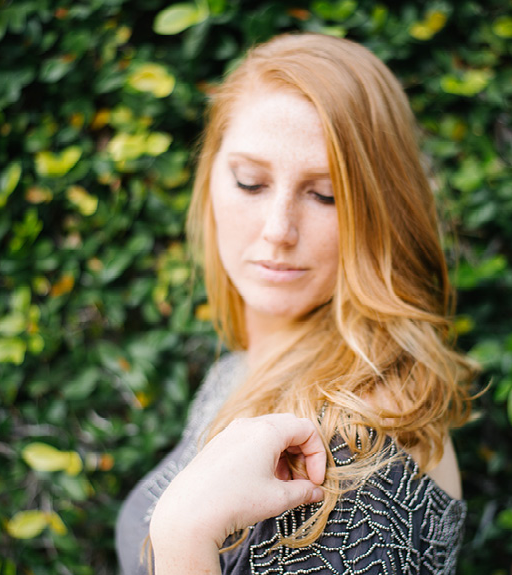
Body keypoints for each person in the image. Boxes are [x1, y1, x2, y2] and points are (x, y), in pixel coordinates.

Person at [115, 32, 477, 575]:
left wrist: (183, 537)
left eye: (325, 194)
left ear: (382, 212)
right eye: (250, 182)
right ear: (210, 178)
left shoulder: (353, 444)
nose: (279, 229)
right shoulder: (245, 367)